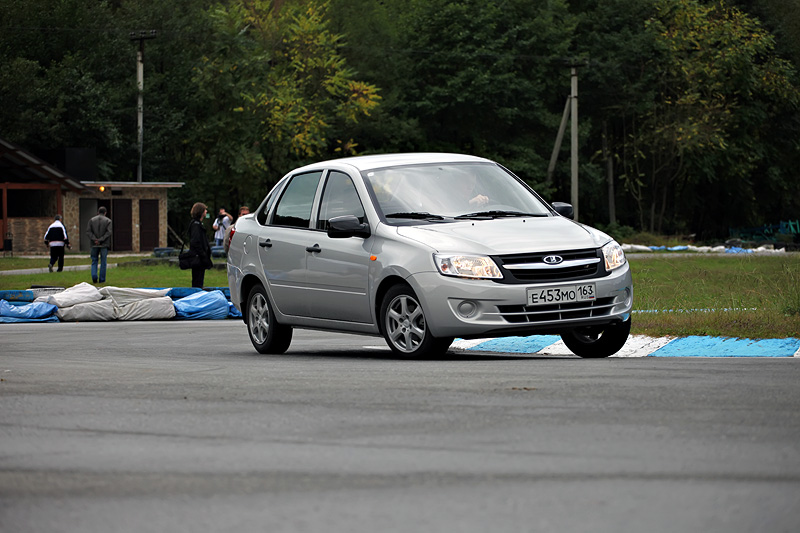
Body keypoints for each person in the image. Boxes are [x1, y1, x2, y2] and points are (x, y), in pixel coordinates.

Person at [86, 206, 113, 284]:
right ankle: (102, 279)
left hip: (94, 244)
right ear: (105, 213)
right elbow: (108, 232)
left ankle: (94, 276)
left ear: (98, 212)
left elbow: (88, 232)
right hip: (104, 244)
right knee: (103, 261)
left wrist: (95, 239)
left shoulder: (92, 220)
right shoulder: (108, 221)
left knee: (94, 260)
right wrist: (101, 239)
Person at [189, 202, 213, 288]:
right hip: (198, 258)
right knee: (197, 281)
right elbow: (195, 242)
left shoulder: (198, 224)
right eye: (205, 210)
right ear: (201, 212)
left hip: (199, 257)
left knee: (199, 279)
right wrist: (203, 255)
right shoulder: (196, 225)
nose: (206, 211)